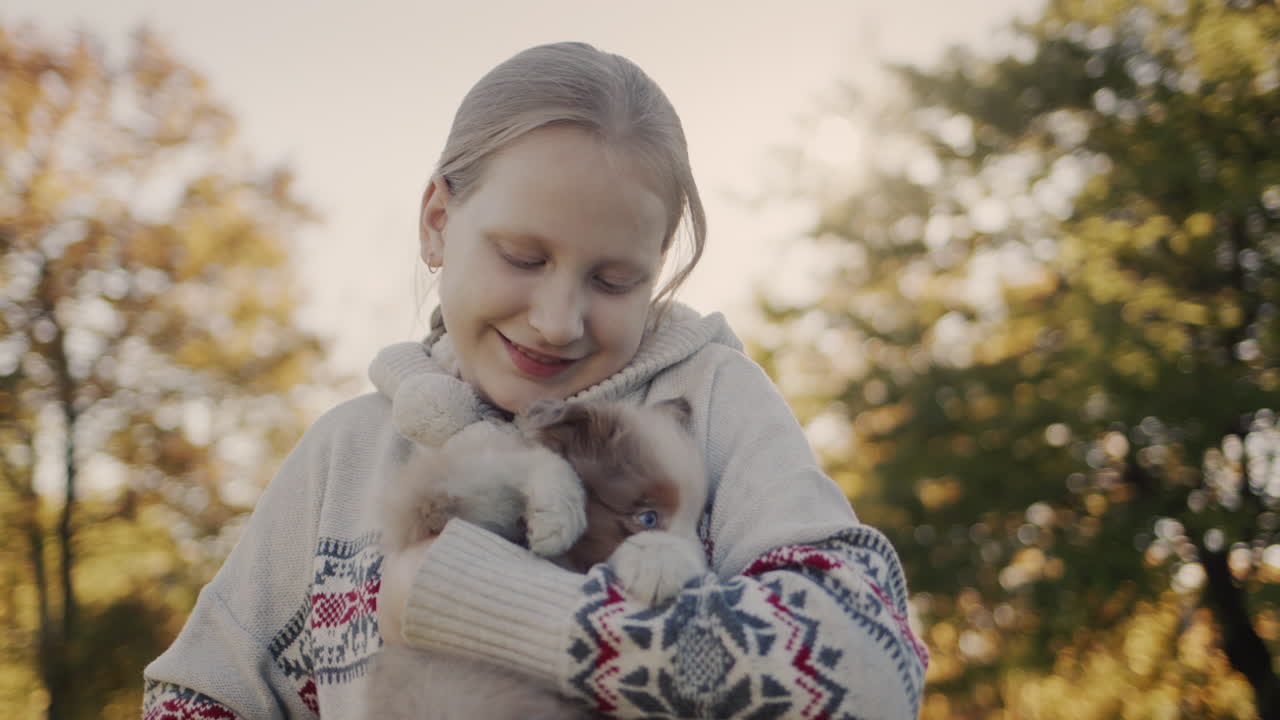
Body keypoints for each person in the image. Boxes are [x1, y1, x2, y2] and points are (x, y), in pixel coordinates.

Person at [143, 41, 928, 719]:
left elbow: (873, 677)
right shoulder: (345, 455)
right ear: (436, 222)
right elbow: (199, 695)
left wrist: (490, 604)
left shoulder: (712, 408)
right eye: (523, 257)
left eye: (616, 280)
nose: (559, 319)